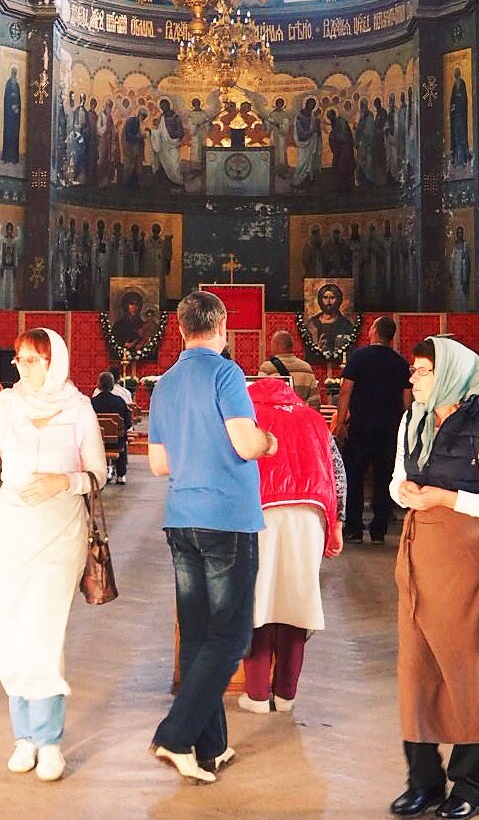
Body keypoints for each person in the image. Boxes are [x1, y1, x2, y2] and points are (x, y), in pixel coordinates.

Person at [388, 337, 479, 820]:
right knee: (417, 671)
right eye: (414, 370)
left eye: (423, 371)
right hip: (419, 556)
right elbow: (396, 480)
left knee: (469, 671)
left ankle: (470, 784)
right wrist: (405, 491)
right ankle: (423, 781)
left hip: (467, 562)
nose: (413, 379)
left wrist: (445, 499)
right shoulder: (412, 420)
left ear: (449, 375)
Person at [0, 329, 107, 781]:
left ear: (54, 362)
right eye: (20, 359)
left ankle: (48, 741)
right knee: (9, 629)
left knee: (43, 632)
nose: (23, 367)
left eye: (33, 359)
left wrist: (64, 482)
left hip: (61, 532)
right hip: (10, 531)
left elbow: (99, 473)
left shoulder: (78, 409)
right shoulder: (6, 407)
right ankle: (23, 737)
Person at [147, 289, 277, 784]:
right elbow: (245, 443)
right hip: (227, 518)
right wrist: (268, 441)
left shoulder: (165, 383)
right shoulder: (227, 373)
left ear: (180, 329)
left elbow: (158, 464)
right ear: (222, 327)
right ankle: (175, 735)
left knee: (199, 634)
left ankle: (212, 748)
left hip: (182, 518)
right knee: (232, 635)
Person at [239, 370, 343, 715]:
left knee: (259, 600)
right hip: (309, 515)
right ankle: (286, 695)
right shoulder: (312, 419)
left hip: (261, 512)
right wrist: (337, 522)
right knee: (297, 601)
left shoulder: (247, 416)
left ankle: (256, 695)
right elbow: (337, 472)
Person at [332, 316, 411, 543]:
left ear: (373, 330)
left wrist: (340, 422)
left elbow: (346, 390)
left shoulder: (359, 357)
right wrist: (404, 427)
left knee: (354, 475)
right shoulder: (400, 362)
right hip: (389, 430)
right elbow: (407, 399)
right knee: (384, 477)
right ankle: (379, 529)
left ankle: (354, 528)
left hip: (361, 427)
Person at [91, 370, 134, 485]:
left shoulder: (92, 402)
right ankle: (121, 474)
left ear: (99, 385)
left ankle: (101, 472)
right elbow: (128, 423)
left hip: (98, 441)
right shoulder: (119, 401)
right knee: (122, 436)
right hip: (117, 442)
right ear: (112, 385)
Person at [259, 330, 320, 409]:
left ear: (276, 345)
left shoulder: (267, 368)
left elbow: (260, 397)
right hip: (300, 415)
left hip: (277, 415)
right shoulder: (306, 368)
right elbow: (314, 401)